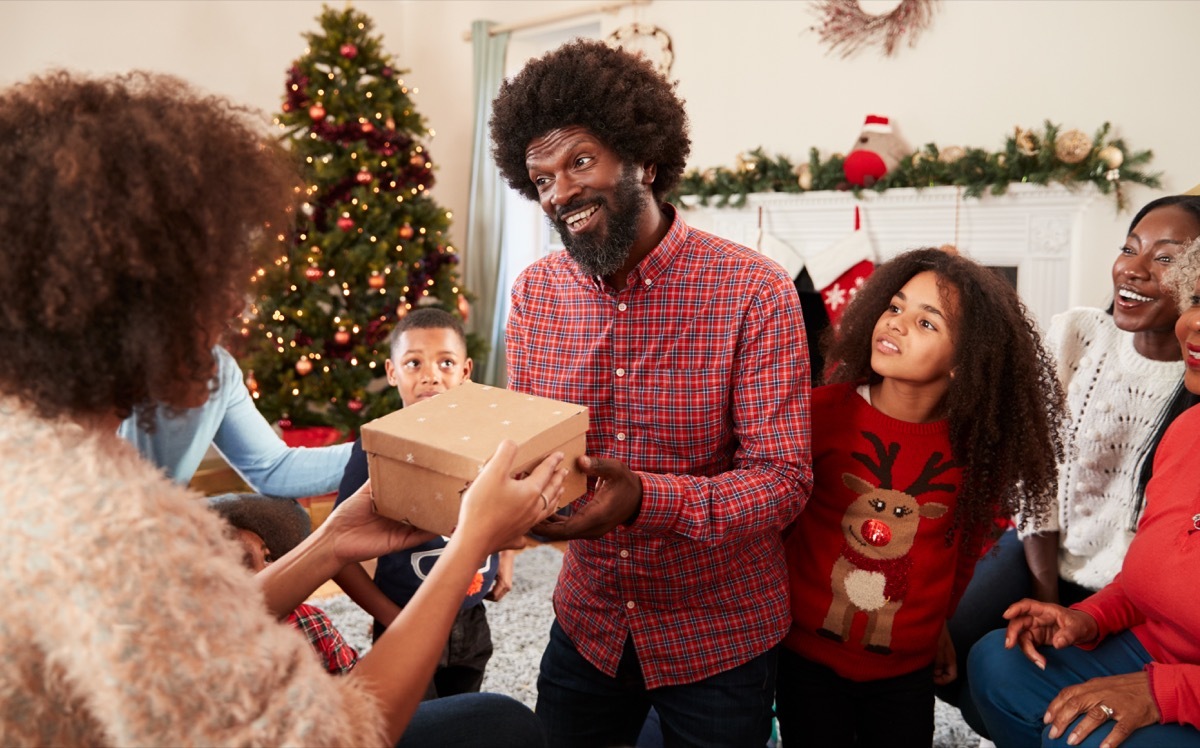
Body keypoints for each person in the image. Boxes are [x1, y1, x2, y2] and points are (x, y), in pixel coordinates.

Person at [0, 69, 564, 746]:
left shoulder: (32, 458)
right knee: (503, 722)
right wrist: (469, 543)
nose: (234, 307)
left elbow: (189, 629)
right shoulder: (128, 534)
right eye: (219, 276)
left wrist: (329, 543)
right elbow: (345, 732)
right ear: (152, 302)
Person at [489, 40, 812, 748]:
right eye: (541, 178)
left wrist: (646, 500)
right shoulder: (536, 295)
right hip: (589, 620)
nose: (561, 192)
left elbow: (784, 481)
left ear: (646, 158)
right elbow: (533, 449)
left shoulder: (754, 292)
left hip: (719, 632)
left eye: (579, 161)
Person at [775, 248, 1066, 746]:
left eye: (927, 323)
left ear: (965, 361)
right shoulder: (817, 413)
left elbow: (964, 548)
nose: (897, 324)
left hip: (904, 671)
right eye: (894, 307)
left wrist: (938, 627)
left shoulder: (977, 447)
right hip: (805, 659)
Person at [943, 195, 1200, 732]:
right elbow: (1033, 471)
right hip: (1053, 547)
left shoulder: (1193, 384)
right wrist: (1046, 591)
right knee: (955, 642)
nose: (1133, 268)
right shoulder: (1079, 335)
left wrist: (1100, 613)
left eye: (1167, 258)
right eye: (1130, 248)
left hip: (1135, 581)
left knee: (1030, 672)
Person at [333, 307, 515, 698]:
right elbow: (337, 555)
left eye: (445, 363)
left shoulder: (489, 441)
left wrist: (507, 559)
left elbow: (505, 505)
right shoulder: (374, 451)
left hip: (470, 616)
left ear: (465, 372)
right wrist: (390, 618)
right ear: (392, 372)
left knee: (463, 719)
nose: (431, 375)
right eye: (413, 363)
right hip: (403, 618)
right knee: (417, 727)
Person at [116, 343, 353, 497]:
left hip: (166, 516)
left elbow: (272, 467)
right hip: (101, 529)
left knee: (285, 518)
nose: (239, 305)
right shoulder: (107, 363)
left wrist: (375, 451)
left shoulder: (220, 368)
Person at [212, 492, 359, 675]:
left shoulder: (308, 620)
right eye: (243, 564)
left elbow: (353, 677)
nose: (269, 569)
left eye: (268, 557)